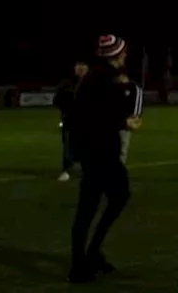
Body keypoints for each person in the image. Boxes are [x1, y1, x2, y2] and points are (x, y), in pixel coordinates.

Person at [68, 35, 141, 283]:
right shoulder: (103, 80)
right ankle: (85, 259)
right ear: (116, 55)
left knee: (91, 206)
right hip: (101, 151)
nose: (126, 56)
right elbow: (96, 117)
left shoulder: (93, 77)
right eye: (123, 52)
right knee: (110, 199)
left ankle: (86, 257)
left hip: (92, 151)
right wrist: (125, 122)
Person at [54, 62, 90, 181]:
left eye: (83, 68)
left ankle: (87, 169)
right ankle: (66, 170)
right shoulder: (67, 83)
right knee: (68, 146)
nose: (81, 70)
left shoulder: (91, 83)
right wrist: (68, 107)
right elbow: (57, 100)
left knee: (87, 146)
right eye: (79, 68)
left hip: (86, 121)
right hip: (70, 120)